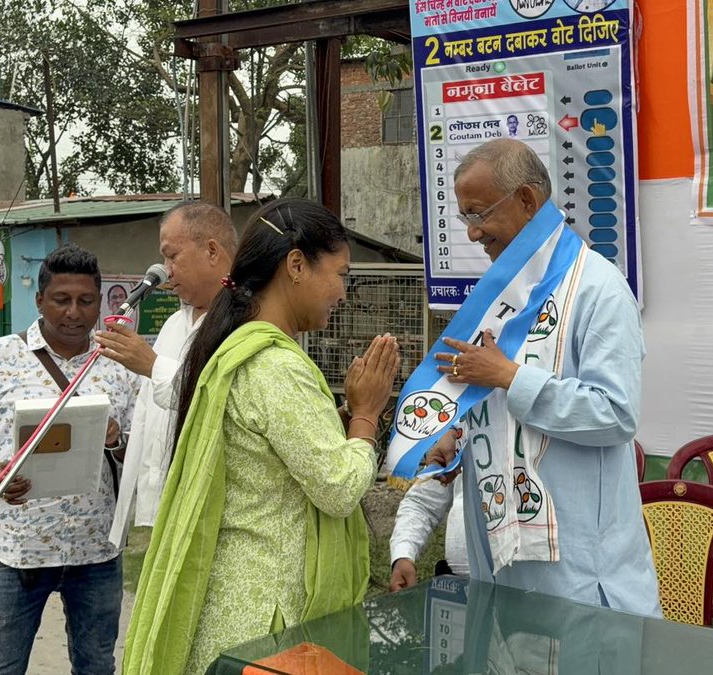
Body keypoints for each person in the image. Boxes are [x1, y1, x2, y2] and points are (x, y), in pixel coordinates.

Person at [122, 198, 401, 675]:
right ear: (296, 265)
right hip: (269, 617)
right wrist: (366, 416)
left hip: (237, 604)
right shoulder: (276, 364)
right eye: (340, 274)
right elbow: (337, 488)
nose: (342, 292)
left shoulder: (237, 344)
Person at [422, 138, 660, 616]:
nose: (472, 234)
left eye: (479, 214)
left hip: (578, 579)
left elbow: (614, 413)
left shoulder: (600, 289)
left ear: (527, 201)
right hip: (501, 572)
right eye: (465, 219)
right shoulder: (502, 295)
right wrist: (459, 432)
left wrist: (512, 378)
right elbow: (499, 405)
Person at [0, 243, 138, 675]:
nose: (73, 313)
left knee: (97, 666)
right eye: (61, 300)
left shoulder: (120, 365)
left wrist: (118, 439)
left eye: (86, 301)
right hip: (13, 554)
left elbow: (142, 456)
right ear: (39, 300)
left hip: (96, 551)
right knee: (0, 668)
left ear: (100, 303)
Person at [97, 203, 236, 546]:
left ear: (212, 251)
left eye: (172, 256)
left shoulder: (246, 319)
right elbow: (148, 417)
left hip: (220, 510)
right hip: (171, 507)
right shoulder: (175, 323)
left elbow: (224, 401)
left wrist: (151, 365)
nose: (165, 271)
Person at [388, 477, 468, 591]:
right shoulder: (456, 459)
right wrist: (403, 554)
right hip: (457, 588)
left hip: (501, 586)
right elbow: (421, 503)